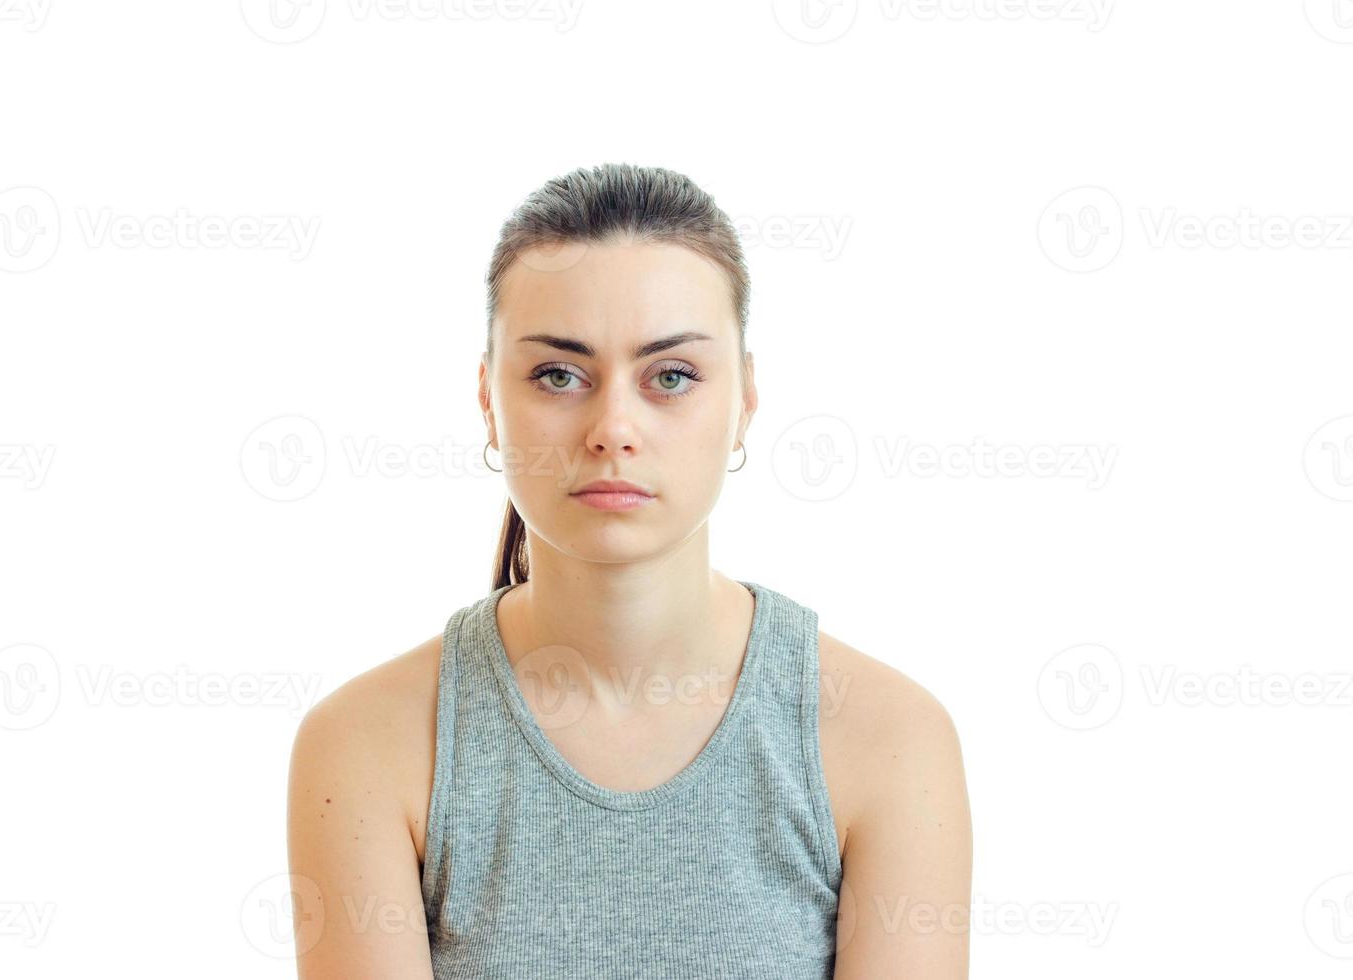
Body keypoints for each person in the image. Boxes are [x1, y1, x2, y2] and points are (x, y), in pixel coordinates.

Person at [286, 163, 972, 978]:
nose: (613, 427)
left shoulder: (889, 739)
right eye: (558, 375)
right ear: (486, 399)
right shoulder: (367, 746)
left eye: (671, 377)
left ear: (745, 399)